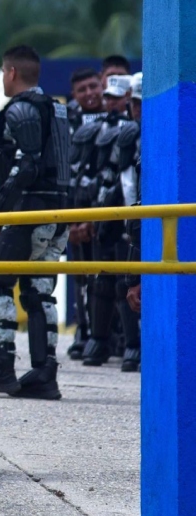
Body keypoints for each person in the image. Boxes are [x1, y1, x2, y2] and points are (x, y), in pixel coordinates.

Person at [0, 45, 70, 401]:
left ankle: (0, 367)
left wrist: (1, 212)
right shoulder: (60, 110)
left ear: (10, 73)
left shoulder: (20, 110)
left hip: (30, 211)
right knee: (40, 291)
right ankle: (44, 373)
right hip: (63, 213)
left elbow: (26, 166)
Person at [81, 74, 134, 367]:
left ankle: (131, 343)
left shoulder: (136, 130)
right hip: (104, 211)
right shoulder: (99, 129)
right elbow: (91, 171)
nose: (113, 102)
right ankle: (97, 340)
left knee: (126, 280)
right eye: (109, 97)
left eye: (120, 97)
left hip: (128, 210)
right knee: (100, 279)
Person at [65, 68, 105, 360]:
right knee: (80, 276)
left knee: (107, 276)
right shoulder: (65, 122)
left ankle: (106, 335)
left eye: (94, 87)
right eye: (83, 90)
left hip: (107, 211)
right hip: (75, 209)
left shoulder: (121, 117)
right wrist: (72, 221)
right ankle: (83, 330)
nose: (90, 93)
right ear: (74, 95)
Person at [116, 72, 142, 373]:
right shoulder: (129, 137)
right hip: (133, 221)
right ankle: (131, 344)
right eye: (134, 102)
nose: (137, 108)